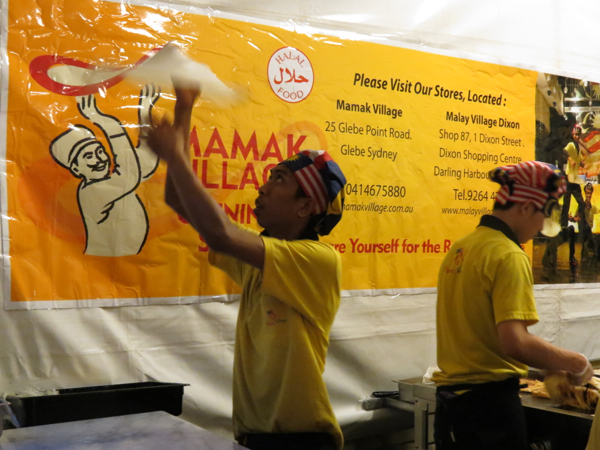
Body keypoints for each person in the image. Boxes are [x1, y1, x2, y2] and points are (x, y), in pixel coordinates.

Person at [146, 81, 346, 450]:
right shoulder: (260, 260)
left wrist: (174, 154)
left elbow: (220, 234)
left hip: (302, 442)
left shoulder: (317, 261)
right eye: (269, 177)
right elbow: (179, 199)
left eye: (279, 181)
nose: (263, 188)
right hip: (255, 438)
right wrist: (185, 106)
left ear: (306, 206)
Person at [432, 161, 594, 450]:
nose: (541, 226)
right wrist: (577, 362)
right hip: (488, 411)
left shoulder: (461, 247)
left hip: (451, 407)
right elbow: (515, 342)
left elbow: (481, 337)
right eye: (544, 214)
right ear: (524, 207)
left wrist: (544, 368)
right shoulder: (508, 255)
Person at [50, 85, 160, 256]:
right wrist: (103, 120)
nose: (99, 158)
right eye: (88, 156)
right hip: (99, 271)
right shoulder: (90, 192)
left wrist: (145, 111)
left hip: (127, 268)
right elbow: (129, 174)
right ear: (76, 169)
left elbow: (147, 162)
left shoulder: (116, 180)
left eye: (100, 151)